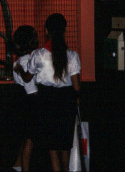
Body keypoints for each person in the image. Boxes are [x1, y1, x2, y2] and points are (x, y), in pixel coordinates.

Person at [27, 13, 81, 172]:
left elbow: (29, 76)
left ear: (46, 31)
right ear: (64, 31)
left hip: (47, 102)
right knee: (65, 148)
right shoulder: (72, 55)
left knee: (52, 150)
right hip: (66, 104)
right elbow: (77, 87)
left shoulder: (38, 55)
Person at [11, 25, 39, 172]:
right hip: (30, 103)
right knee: (30, 139)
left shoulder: (17, 62)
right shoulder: (30, 60)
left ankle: (17, 164)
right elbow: (31, 89)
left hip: (21, 103)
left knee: (25, 137)